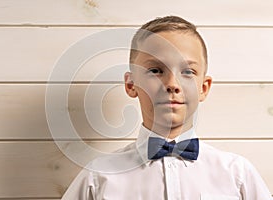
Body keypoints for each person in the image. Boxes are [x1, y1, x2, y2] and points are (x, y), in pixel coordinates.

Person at [62, 16, 272, 200]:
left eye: (188, 71)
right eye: (155, 70)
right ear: (131, 84)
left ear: (204, 88)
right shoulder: (98, 178)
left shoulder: (238, 175)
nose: (172, 83)